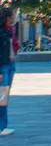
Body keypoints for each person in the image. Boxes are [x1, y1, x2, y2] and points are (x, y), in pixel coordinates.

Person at [0, 7, 18, 137]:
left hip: (10, 64)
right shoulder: (1, 32)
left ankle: (3, 125)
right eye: (13, 15)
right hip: (3, 67)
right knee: (2, 97)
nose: (15, 17)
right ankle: (2, 127)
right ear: (7, 18)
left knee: (4, 96)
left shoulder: (11, 30)